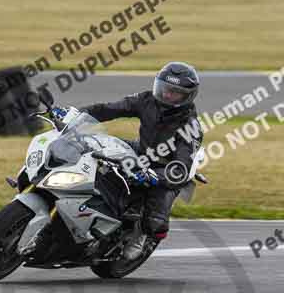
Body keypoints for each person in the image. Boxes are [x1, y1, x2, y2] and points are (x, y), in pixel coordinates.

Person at [69, 61, 203, 260]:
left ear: (187, 96)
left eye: (174, 92)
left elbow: (180, 169)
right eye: (164, 89)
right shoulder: (147, 100)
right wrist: (76, 116)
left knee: (155, 221)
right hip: (140, 151)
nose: (166, 95)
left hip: (164, 170)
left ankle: (140, 235)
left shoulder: (191, 128)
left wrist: (155, 176)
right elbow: (110, 109)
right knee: (92, 145)